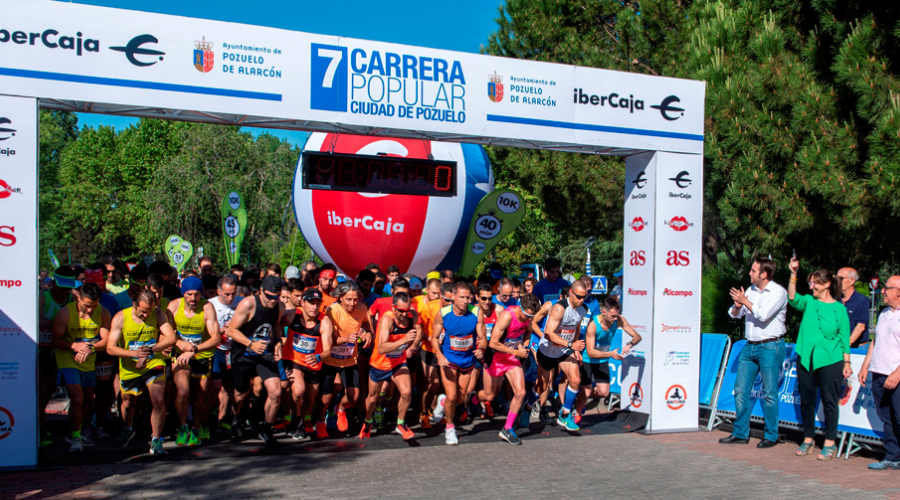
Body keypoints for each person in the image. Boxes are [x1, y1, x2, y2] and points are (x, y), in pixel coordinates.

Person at [719, 257, 787, 448]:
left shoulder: (778, 292)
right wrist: (738, 306)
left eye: (753, 270)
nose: (750, 273)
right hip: (750, 345)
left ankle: (771, 435)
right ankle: (741, 432)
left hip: (770, 347)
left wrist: (745, 302)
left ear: (764, 274)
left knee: (770, 393)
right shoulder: (750, 291)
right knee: (740, 389)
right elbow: (734, 314)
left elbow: (763, 315)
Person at [788, 258, 851, 459]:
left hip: (831, 360)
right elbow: (792, 298)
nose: (812, 286)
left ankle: (830, 443)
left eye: (815, 283)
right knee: (806, 400)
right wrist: (793, 274)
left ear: (827, 284)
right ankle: (808, 439)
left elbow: (844, 338)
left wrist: (847, 362)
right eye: (810, 283)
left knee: (830, 401)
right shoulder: (809, 301)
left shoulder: (840, 309)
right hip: (807, 357)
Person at [106, 289, 177, 455]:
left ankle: (156, 440)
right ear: (134, 304)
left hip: (153, 362)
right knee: (128, 403)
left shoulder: (158, 313)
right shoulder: (120, 318)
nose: (146, 315)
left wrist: (151, 350)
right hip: (130, 367)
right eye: (143, 311)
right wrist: (134, 354)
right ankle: (127, 428)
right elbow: (110, 347)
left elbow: (171, 337)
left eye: (149, 311)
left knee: (159, 400)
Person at [226, 275, 287, 446]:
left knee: (275, 391)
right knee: (240, 395)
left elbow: (276, 325)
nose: (273, 301)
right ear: (261, 292)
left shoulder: (279, 306)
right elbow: (231, 330)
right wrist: (250, 343)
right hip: (243, 352)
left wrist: (276, 342)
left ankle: (266, 428)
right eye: (269, 296)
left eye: (276, 297)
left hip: (263, 353)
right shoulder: (248, 304)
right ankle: (236, 417)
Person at [51, 283, 111, 452]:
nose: (91, 310)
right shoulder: (65, 313)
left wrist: (91, 347)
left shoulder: (103, 312)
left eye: (94, 305)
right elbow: (54, 341)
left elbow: (106, 340)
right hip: (68, 359)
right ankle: (76, 438)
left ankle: (76, 431)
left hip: (88, 362)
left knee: (87, 400)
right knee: (77, 398)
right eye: (86, 306)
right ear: (78, 298)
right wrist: (74, 346)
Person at [168, 276, 221, 447]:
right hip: (181, 355)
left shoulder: (207, 308)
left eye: (196, 294)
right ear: (183, 294)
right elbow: (166, 333)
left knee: (200, 398)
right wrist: (178, 342)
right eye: (189, 294)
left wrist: (195, 350)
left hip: (201, 356)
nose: (193, 298)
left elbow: (216, 338)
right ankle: (183, 427)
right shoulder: (174, 307)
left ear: (202, 294)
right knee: (182, 392)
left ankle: (197, 428)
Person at [431, 282, 486, 445]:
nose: (465, 301)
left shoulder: (476, 312)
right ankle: (449, 428)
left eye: (467, 298)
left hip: (467, 360)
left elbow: (482, 338)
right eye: (461, 297)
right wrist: (439, 355)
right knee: (452, 395)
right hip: (448, 359)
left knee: (460, 399)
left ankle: (442, 402)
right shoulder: (443, 313)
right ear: (453, 297)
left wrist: (481, 349)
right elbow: (434, 338)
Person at [360, 293, 419, 440]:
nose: (404, 314)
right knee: (372, 399)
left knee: (406, 392)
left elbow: (419, 331)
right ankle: (367, 421)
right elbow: (381, 348)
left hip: (398, 362)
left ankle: (401, 424)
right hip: (380, 363)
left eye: (407, 310)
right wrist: (404, 340)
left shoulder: (412, 315)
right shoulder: (387, 319)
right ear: (393, 308)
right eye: (400, 311)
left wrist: (414, 345)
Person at [485, 293, 540, 445]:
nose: (529, 319)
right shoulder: (507, 316)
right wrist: (516, 351)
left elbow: (528, 332)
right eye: (527, 315)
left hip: (511, 358)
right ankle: (475, 398)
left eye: (532, 316)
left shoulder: (528, 317)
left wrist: (526, 345)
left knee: (520, 392)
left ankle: (507, 428)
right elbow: (493, 343)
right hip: (496, 357)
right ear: (521, 308)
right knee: (490, 396)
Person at [319, 281, 372, 438]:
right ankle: (320, 422)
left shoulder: (362, 308)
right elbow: (328, 340)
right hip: (331, 359)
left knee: (354, 397)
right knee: (327, 396)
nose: (352, 303)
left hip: (350, 359)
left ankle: (340, 409)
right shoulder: (332, 311)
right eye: (348, 299)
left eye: (355, 299)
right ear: (340, 298)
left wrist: (368, 333)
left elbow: (367, 324)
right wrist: (345, 339)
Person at [858, 275, 900, 470]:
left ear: (898, 292)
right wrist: (866, 365)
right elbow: (875, 342)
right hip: (879, 374)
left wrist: (897, 374)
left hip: (896, 376)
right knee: (887, 419)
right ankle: (893, 456)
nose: (882, 291)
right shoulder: (884, 313)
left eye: (886, 288)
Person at [280, 287, 333, 441]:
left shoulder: (324, 322)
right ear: (302, 302)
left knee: (310, 399)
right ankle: (295, 418)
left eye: (317, 304)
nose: (314, 307)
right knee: (298, 391)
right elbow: (276, 324)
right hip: (293, 359)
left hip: (313, 364)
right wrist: (278, 342)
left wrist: (318, 357)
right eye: (311, 303)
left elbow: (328, 350)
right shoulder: (292, 315)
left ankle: (299, 421)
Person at [536, 281, 589, 431]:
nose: (581, 300)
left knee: (575, 379)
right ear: (571, 293)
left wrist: (576, 349)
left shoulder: (583, 309)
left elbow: (576, 328)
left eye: (584, 297)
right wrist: (571, 345)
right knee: (542, 386)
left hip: (564, 350)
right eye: (579, 297)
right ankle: (528, 406)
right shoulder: (559, 308)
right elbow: (548, 333)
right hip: (548, 350)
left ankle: (565, 414)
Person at [581, 297, 641, 420]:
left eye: (617, 315)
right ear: (604, 312)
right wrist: (610, 354)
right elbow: (591, 352)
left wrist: (630, 344)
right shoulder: (593, 325)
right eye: (613, 316)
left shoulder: (619, 320)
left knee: (604, 392)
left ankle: (579, 393)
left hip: (602, 360)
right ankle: (575, 413)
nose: (615, 319)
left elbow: (637, 336)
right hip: (587, 360)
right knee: (586, 392)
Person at [37, 266, 79, 447]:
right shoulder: (42, 296)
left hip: (61, 352)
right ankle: (41, 429)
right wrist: (60, 323)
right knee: (42, 392)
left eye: (67, 286)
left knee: (55, 391)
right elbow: (35, 319)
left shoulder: (74, 297)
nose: (64, 290)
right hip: (41, 351)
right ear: (53, 282)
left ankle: (74, 430)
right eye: (61, 286)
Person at [418, 280, 455, 428]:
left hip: (446, 352)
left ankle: (435, 412)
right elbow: (420, 331)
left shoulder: (454, 310)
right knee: (433, 384)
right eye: (447, 300)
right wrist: (433, 340)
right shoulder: (429, 308)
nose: (449, 303)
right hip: (429, 350)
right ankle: (424, 413)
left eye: (452, 301)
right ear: (440, 296)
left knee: (442, 388)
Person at [209, 274, 241, 432]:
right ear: (218, 291)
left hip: (233, 350)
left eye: (233, 294)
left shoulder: (242, 302)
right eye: (226, 294)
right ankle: (207, 418)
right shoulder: (210, 305)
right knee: (215, 385)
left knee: (229, 386)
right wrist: (221, 331)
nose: (230, 298)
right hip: (216, 350)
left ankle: (222, 419)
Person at [837, 267, 871, 348]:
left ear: (852, 280)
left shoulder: (862, 300)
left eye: (841, 279)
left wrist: (846, 344)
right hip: (838, 347)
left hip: (857, 348)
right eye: (836, 279)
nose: (838, 282)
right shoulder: (836, 300)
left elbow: (860, 327)